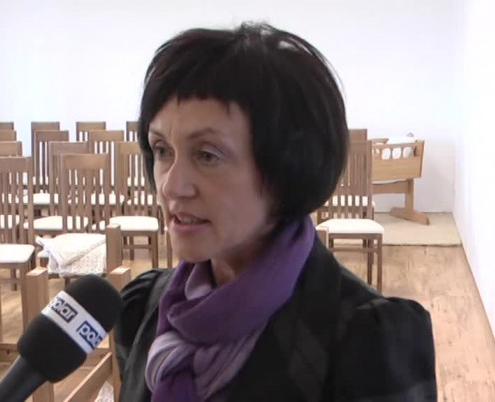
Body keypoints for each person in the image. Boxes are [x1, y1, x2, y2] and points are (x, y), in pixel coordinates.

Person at [114, 22, 436, 402]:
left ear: (287, 168)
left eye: (207, 155)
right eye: (162, 150)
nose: (171, 185)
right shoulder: (145, 307)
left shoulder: (364, 341)